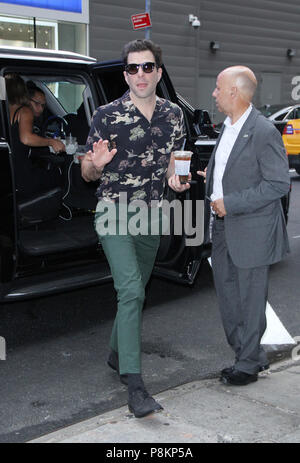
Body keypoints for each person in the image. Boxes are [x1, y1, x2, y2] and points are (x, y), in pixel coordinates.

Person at [81, 39, 190, 417]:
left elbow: (172, 164)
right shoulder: (107, 116)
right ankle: (136, 385)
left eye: (147, 67)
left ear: (158, 72)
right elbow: (87, 171)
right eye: (133, 68)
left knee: (137, 289)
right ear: (125, 74)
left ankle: (116, 353)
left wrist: (176, 180)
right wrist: (95, 164)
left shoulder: (174, 115)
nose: (140, 74)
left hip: (153, 214)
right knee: (130, 290)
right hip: (113, 212)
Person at [198, 66, 290, 386]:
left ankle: (248, 364)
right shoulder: (228, 127)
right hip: (222, 224)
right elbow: (232, 169)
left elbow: (278, 184)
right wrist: (210, 182)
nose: (214, 93)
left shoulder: (263, 131)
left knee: (250, 300)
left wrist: (231, 202)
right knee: (228, 295)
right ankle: (247, 353)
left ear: (234, 92)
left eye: (218, 88)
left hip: (251, 226)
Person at [6, 74, 65, 197]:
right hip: (21, 173)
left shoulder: (5, 109)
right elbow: (26, 138)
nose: (41, 109)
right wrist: (51, 142)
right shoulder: (24, 110)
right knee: (59, 175)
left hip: (8, 171)